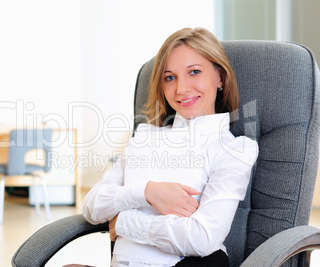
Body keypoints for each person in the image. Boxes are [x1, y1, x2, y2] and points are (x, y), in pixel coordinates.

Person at [81, 27, 259, 267]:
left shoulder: (233, 149)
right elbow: (92, 206)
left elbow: (202, 238)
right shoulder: (144, 137)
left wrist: (123, 223)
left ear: (220, 77)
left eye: (194, 72)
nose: (181, 89)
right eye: (170, 77)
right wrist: (147, 192)